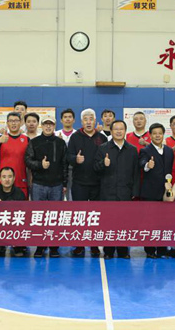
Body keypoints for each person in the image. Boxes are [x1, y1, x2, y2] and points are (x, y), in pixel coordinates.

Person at [95, 120, 140, 259]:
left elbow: (136, 173)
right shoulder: (103, 148)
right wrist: (103, 163)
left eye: (121, 129)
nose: (119, 131)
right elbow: (95, 169)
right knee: (108, 223)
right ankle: (108, 251)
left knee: (124, 222)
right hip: (107, 192)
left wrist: (135, 192)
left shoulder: (132, 150)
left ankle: (123, 250)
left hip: (125, 192)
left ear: (125, 131)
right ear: (111, 131)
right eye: (116, 129)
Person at [26, 116, 68, 258]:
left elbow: (64, 164)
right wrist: (40, 165)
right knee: (39, 217)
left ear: (54, 126)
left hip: (56, 185)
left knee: (55, 217)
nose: (48, 127)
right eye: (45, 124)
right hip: (39, 184)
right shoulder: (34, 142)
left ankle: (54, 247)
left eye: (51, 124)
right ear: (41, 126)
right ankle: (40, 246)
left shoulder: (61, 143)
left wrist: (65, 184)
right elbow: (28, 160)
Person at [67, 109, 107, 257]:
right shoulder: (75, 137)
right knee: (79, 215)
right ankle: (79, 245)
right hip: (79, 182)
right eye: (85, 119)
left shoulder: (102, 137)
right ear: (81, 121)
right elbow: (68, 156)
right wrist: (75, 159)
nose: (88, 122)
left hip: (98, 183)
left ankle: (94, 244)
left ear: (95, 121)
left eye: (91, 119)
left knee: (96, 216)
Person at [139, 123, 174, 259]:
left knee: (164, 222)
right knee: (150, 222)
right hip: (150, 192)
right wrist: (148, 165)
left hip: (166, 192)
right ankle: (149, 249)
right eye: (155, 133)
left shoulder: (169, 151)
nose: (157, 136)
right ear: (150, 135)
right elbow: (141, 163)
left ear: (163, 134)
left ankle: (162, 249)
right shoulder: (145, 151)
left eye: (160, 133)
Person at [0, 167, 27, 257]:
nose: (7, 180)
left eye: (10, 177)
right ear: (0, 179)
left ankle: (18, 246)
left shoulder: (19, 193)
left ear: (14, 178)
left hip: (14, 222)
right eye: (4, 177)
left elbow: (25, 214)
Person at [0, 112, 29, 198]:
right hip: (4, 181)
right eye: (11, 121)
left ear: (20, 122)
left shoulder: (26, 139)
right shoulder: (2, 138)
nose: (13, 123)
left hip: (21, 179)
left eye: (16, 121)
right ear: (7, 123)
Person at [56, 108, 77, 201]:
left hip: (74, 169)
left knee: (71, 196)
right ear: (61, 120)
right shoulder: (55, 134)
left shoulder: (78, 134)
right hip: (60, 169)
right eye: (65, 117)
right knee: (59, 196)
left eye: (70, 117)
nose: (67, 119)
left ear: (74, 120)